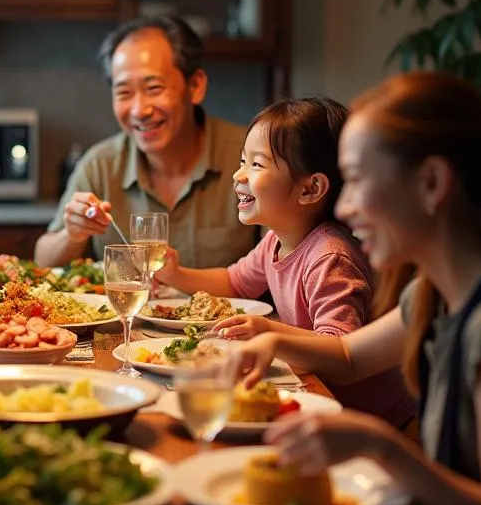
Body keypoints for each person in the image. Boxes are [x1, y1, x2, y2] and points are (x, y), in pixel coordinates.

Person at [237, 71, 481, 505]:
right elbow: (349, 357)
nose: (345, 211)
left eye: (356, 182)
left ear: (431, 184)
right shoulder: (433, 292)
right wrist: (268, 339)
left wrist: (380, 444)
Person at [155, 97, 416, 427]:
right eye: (242, 161)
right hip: (321, 400)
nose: (238, 174)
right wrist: (176, 274)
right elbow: (234, 282)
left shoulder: (329, 256)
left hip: (372, 421)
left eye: (257, 165)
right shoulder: (276, 241)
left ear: (310, 188)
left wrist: (268, 329)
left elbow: (339, 345)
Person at [35, 15, 254, 268]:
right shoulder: (101, 165)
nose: (139, 110)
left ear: (195, 86)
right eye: (124, 92)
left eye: (154, 88)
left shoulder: (251, 158)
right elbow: (44, 261)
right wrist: (72, 235)